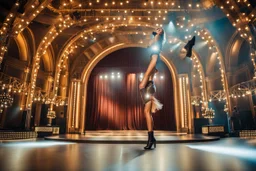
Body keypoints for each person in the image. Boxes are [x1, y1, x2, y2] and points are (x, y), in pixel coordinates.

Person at [139, 27, 165, 150]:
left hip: (149, 85)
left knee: (146, 113)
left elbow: (153, 63)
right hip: (149, 85)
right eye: (156, 30)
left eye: (160, 30)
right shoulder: (153, 49)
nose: (157, 30)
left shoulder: (155, 51)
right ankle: (151, 138)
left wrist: (144, 79)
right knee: (147, 113)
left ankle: (151, 139)